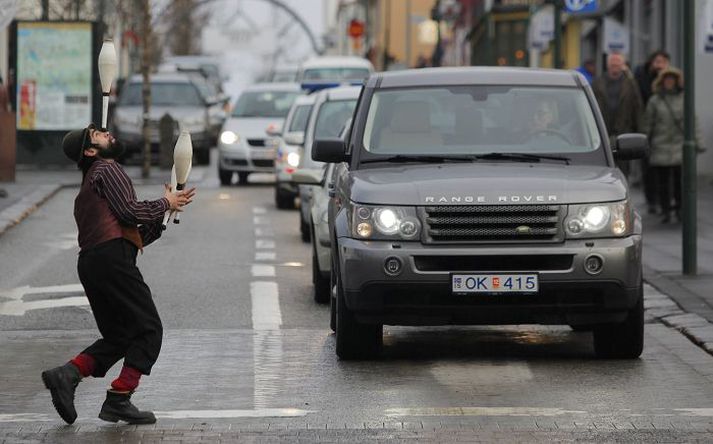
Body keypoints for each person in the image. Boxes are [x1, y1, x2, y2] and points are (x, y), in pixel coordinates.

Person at [41, 124, 195, 425]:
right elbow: (128, 212)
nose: (107, 132)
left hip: (94, 262)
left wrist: (163, 215)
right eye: (98, 134)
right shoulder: (106, 169)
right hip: (110, 260)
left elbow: (128, 233)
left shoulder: (90, 182)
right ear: (90, 150)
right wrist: (165, 202)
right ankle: (119, 399)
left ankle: (68, 374)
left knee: (121, 335)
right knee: (149, 329)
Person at [643, 68, 705, 223]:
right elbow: (647, 124)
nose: (669, 82)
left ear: (677, 82)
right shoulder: (655, 101)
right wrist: (644, 144)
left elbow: (693, 121)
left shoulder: (684, 99)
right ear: (662, 82)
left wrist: (699, 142)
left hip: (679, 145)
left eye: (672, 79)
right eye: (667, 79)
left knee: (680, 181)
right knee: (663, 182)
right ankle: (665, 210)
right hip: (660, 145)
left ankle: (679, 209)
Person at [592, 53, 644, 178]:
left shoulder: (631, 84)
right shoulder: (597, 83)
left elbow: (637, 107)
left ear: (623, 65)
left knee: (623, 169)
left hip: (623, 132)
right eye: (612, 63)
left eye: (617, 63)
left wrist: (640, 130)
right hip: (601, 132)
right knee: (602, 168)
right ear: (607, 65)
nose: (615, 65)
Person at [635, 50, 671, 214]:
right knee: (648, 166)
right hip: (648, 127)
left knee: (666, 168)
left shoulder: (670, 78)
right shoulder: (641, 77)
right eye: (657, 61)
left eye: (663, 62)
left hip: (667, 131)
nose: (660, 65)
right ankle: (652, 200)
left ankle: (665, 200)